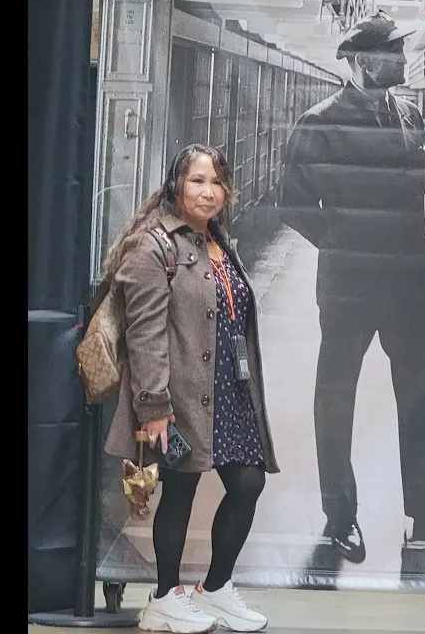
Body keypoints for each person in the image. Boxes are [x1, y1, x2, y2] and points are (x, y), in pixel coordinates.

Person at [276, 11, 425, 565]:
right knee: (337, 395)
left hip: (408, 283)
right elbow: (293, 201)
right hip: (349, 283)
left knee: (418, 393)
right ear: (364, 60)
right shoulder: (320, 122)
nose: (402, 58)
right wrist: (346, 242)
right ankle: (340, 516)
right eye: (394, 51)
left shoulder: (411, 115)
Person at [102, 143, 279, 633]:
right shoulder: (153, 245)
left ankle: (216, 589)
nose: (208, 191)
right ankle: (163, 598)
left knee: (248, 482)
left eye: (217, 182)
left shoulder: (219, 241)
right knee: (180, 491)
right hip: (179, 392)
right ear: (176, 186)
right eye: (197, 180)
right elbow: (145, 333)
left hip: (230, 389)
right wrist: (154, 405)